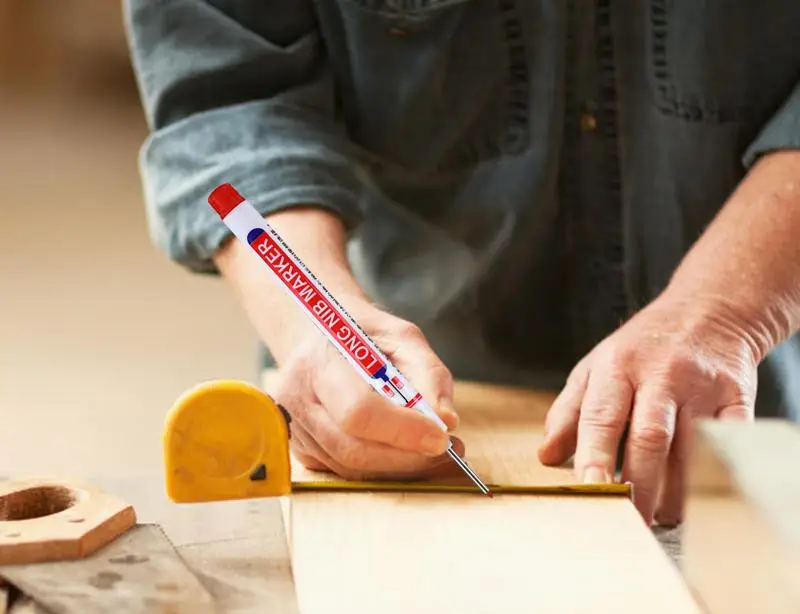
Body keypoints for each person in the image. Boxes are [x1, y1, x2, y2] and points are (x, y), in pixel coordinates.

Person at [122, 1, 800, 527]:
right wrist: (313, 319)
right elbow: (228, 94)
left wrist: (727, 311)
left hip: (762, 408)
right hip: (409, 398)